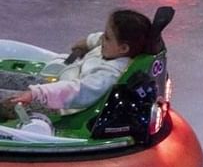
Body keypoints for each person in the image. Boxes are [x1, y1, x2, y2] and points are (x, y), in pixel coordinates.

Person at [1, 9, 155, 116]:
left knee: (6, 100)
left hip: (59, 107)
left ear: (123, 48)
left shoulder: (107, 75)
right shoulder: (111, 50)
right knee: (7, 77)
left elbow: (76, 91)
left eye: (107, 38)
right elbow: (99, 38)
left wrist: (36, 93)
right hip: (57, 86)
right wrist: (88, 42)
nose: (102, 39)